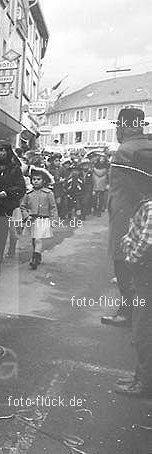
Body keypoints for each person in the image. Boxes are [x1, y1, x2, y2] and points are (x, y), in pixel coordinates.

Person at [104, 108, 152, 327]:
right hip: (140, 215)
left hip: (127, 216)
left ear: (123, 127)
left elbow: (133, 188)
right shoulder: (147, 145)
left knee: (123, 263)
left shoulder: (125, 150)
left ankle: (127, 313)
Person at [116, 170, 152, 398]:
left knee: (143, 331)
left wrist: (130, 258)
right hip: (143, 277)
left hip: (146, 276)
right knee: (142, 328)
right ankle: (141, 375)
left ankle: (144, 382)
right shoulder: (144, 204)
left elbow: (147, 242)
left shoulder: (149, 207)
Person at [0, 140, 26, 276]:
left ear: (8, 152)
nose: (0, 153)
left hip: (4, 208)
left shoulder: (14, 168)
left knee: (0, 236)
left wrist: (7, 192)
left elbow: (21, 188)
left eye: (3, 150)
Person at [20, 168, 58, 270]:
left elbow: (53, 207)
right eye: (34, 179)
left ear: (43, 181)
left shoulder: (48, 193)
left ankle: (34, 259)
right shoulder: (28, 193)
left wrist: (54, 219)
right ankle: (38, 254)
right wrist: (26, 216)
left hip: (43, 219)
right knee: (34, 239)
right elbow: (22, 206)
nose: (36, 181)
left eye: (38, 179)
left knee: (38, 239)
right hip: (32, 219)